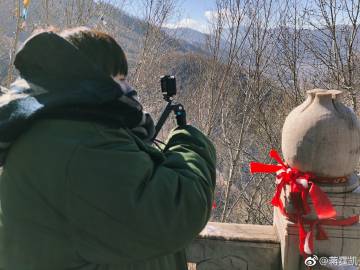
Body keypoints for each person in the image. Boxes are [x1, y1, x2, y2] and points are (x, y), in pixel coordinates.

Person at [0, 27, 216, 270]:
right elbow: (177, 210)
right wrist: (190, 142)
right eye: (120, 79)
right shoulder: (77, 145)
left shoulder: (64, 130)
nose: (128, 88)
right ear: (90, 79)